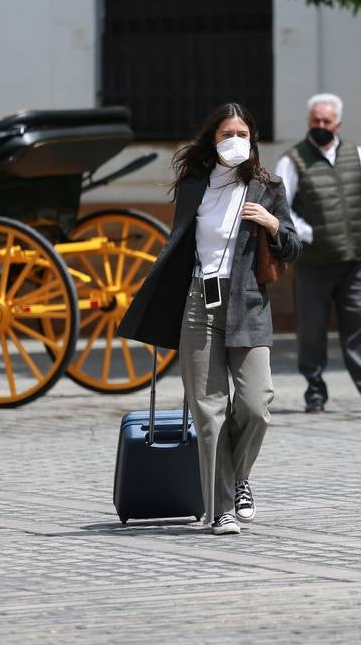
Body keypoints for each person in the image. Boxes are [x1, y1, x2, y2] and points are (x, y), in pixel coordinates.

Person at [117, 103, 301, 535]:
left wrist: (273, 224)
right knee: (208, 409)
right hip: (200, 301)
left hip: (248, 302)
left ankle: (238, 479)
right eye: (225, 134)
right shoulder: (194, 184)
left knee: (257, 404)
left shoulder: (267, 186)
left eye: (242, 133)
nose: (235, 140)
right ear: (212, 140)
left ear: (252, 139)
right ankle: (220, 509)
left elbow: (292, 247)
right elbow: (179, 244)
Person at [275, 93, 361, 413]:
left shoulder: (355, 154)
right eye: (316, 121)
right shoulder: (293, 159)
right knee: (312, 330)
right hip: (313, 263)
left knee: (358, 328)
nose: (320, 126)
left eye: (326, 121)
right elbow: (280, 205)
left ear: (337, 123)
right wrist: (306, 233)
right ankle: (314, 390)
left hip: (352, 261)